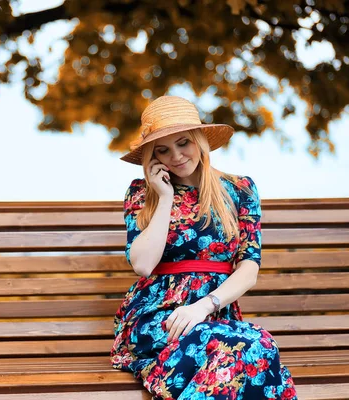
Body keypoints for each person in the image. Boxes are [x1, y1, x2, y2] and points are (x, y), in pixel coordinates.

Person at [110, 95, 297, 399]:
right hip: (160, 318)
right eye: (163, 150)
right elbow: (143, 265)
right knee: (251, 348)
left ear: (199, 140)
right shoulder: (143, 192)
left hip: (214, 314)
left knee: (254, 345)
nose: (176, 156)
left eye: (183, 142)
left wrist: (203, 306)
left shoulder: (239, 190)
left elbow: (249, 268)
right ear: (152, 156)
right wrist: (165, 198)